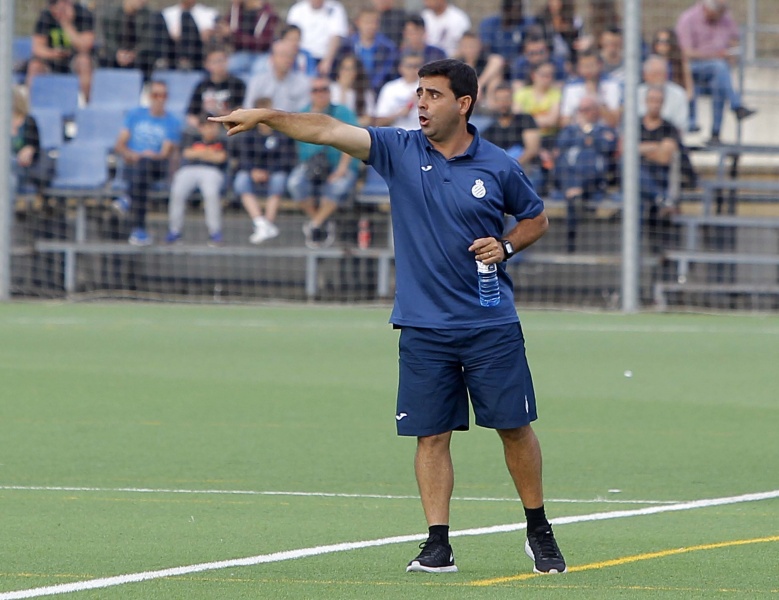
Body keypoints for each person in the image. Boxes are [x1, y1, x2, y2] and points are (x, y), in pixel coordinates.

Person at [211, 58, 566, 576]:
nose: (420, 103)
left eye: (434, 95)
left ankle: (539, 530)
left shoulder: (498, 165)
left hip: (490, 325)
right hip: (422, 326)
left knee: (514, 428)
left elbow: (536, 219)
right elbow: (327, 129)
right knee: (430, 435)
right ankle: (437, 543)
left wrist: (506, 245)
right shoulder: (398, 150)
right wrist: (266, 115)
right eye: (419, 93)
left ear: (463, 104)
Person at [285, 77, 360, 248]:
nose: (320, 93)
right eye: (316, 90)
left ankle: (315, 225)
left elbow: (353, 139)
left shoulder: (342, 112)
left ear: (330, 92)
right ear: (310, 94)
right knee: (295, 183)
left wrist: (342, 168)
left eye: (324, 89)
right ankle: (320, 222)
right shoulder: (302, 113)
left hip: (339, 164)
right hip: (311, 166)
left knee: (337, 186)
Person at [675, 0, 757, 144]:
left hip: (717, 71)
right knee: (719, 67)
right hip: (692, 68)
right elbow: (686, 53)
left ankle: (715, 133)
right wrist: (716, 55)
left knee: (719, 83)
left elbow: (735, 40)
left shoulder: (725, 19)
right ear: (708, 8)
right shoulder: (688, 19)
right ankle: (736, 105)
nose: (722, 16)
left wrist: (732, 53)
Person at [114, 80, 181, 246]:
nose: (159, 99)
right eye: (155, 95)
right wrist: (131, 154)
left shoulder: (172, 121)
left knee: (143, 167)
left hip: (156, 165)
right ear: (149, 96)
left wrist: (148, 155)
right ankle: (138, 230)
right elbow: (120, 144)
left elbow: (165, 153)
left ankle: (129, 202)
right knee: (140, 181)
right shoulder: (135, 115)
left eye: (163, 95)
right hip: (133, 164)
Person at [553, 94, 618, 252]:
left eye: (587, 109)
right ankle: (575, 192)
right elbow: (561, 144)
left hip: (594, 182)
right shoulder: (570, 129)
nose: (583, 113)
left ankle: (571, 241)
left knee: (588, 157)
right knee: (564, 160)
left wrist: (587, 134)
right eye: (580, 110)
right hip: (569, 179)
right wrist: (586, 138)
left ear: (596, 111)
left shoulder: (605, 129)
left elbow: (606, 146)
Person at [230, 97, 297, 244]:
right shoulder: (248, 133)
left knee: (279, 180)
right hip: (252, 175)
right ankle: (261, 223)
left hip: (274, 173)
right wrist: (253, 171)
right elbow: (243, 157)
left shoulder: (282, 133)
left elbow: (287, 159)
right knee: (241, 180)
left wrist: (269, 171)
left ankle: (268, 222)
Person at [165, 112, 228, 246]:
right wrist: (209, 153)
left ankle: (215, 232)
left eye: (213, 126)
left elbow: (221, 157)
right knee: (177, 192)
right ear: (200, 128)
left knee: (211, 194)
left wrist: (199, 153)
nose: (210, 129)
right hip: (189, 170)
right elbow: (187, 153)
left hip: (212, 171)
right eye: (207, 126)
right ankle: (174, 231)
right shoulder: (191, 137)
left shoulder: (223, 139)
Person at [639, 85, 681, 253]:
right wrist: (657, 148)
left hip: (660, 177)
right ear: (645, 102)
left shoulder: (668, 127)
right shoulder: (635, 124)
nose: (655, 104)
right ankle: (659, 198)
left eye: (658, 101)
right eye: (652, 100)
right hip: (638, 184)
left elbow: (665, 156)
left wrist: (642, 149)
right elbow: (626, 151)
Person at [26, 0, 95, 101]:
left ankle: (86, 104)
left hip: (74, 61)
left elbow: (85, 46)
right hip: (51, 61)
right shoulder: (45, 16)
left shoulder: (83, 14)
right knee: (34, 66)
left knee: (84, 62)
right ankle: (29, 105)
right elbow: (37, 48)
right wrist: (53, 54)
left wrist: (66, 24)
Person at [482, 83, 541, 188]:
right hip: (500, 174)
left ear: (512, 100)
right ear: (495, 102)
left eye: (506, 98)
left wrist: (511, 166)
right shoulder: (489, 129)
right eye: (499, 99)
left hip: (525, 171)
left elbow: (532, 149)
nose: (503, 103)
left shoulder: (525, 120)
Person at [332, 7, 399, 94]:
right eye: (367, 22)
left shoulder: (388, 48)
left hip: (378, 91)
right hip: (350, 90)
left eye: (374, 22)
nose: (371, 26)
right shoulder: (347, 45)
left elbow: (387, 73)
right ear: (358, 22)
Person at [100, 0, 167, 81]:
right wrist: (117, 53)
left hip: (142, 64)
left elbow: (149, 42)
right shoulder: (111, 15)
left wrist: (134, 54)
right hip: (114, 62)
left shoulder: (152, 16)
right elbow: (108, 40)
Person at [186, 47, 246, 130]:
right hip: (204, 129)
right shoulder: (201, 86)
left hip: (228, 128)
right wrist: (201, 127)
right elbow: (191, 115)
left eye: (221, 60)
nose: (219, 65)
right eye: (215, 62)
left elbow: (242, 111)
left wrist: (220, 113)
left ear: (227, 61)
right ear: (207, 65)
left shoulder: (237, 84)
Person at [285, 0, 350, 77]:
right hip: (300, 57)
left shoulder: (335, 8)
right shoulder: (297, 9)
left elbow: (336, 36)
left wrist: (327, 61)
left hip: (325, 59)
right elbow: (290, 35)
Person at [560, 48, 621, 128]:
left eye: (591, 65)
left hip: (605, 133)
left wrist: (595, 96)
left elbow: (613, 122)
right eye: (584, 66)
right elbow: (564, 122)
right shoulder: (571, 87)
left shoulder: (612, 84)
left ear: (600, 65)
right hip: (578, 132)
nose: (588, 70)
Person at [216, 0, 279, 78]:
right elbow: (228, 37)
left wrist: (233, 34)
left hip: (262, 54)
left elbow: (263, 42)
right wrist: (223, 33)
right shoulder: (235, 10)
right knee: (228, 68)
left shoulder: (268, 13)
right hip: (240, 53)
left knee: (260, 70)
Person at [244, 39, 312, 111]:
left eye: (290, 56)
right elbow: (248, 109)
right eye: (282, 55)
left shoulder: (303, 83)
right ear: (272, 58)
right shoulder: (257, 82)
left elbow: (303, 113)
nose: (287, 59)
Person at [160, 0, 219, 71]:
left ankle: (186, 60)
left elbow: (208, 35)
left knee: (186, 19)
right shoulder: (167, 13)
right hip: (173, 51)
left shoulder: (209, 13)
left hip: (200, 51)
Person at [638, 55, 689, 134]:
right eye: (655, 74)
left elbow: (681, 126)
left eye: (663, 73)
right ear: (645, 75)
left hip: (669, 138)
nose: (660, 78)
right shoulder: (636, 94)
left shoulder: (679, 94)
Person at [373, 52, 423, 130]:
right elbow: (379, 122)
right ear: (401, 68)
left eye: (416, 66)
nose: (413, 70)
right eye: (409, 66)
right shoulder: (390, 88)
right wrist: (400, 114)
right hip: (396, 134)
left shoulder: (427, 87)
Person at [10, 86, 44, 194]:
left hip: (23, 168)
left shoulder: (29, 122)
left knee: (11, 179)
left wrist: (30, 150)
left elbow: (35, 147)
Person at [329, 54, 377, 127]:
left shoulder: (365, 93)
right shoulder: (330, 89)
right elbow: (336, 114)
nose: (346, 73)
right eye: (343, 68)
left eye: (349, 69)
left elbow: (367, 119)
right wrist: (343, 90)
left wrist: (350, 124)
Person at [651, 28, 695, 104]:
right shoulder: (651, 62)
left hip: (676, 99)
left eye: (665, 42)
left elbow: (689, 89)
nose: (661, 45)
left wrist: (683, 99)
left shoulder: (679, 62)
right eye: (658, 41)